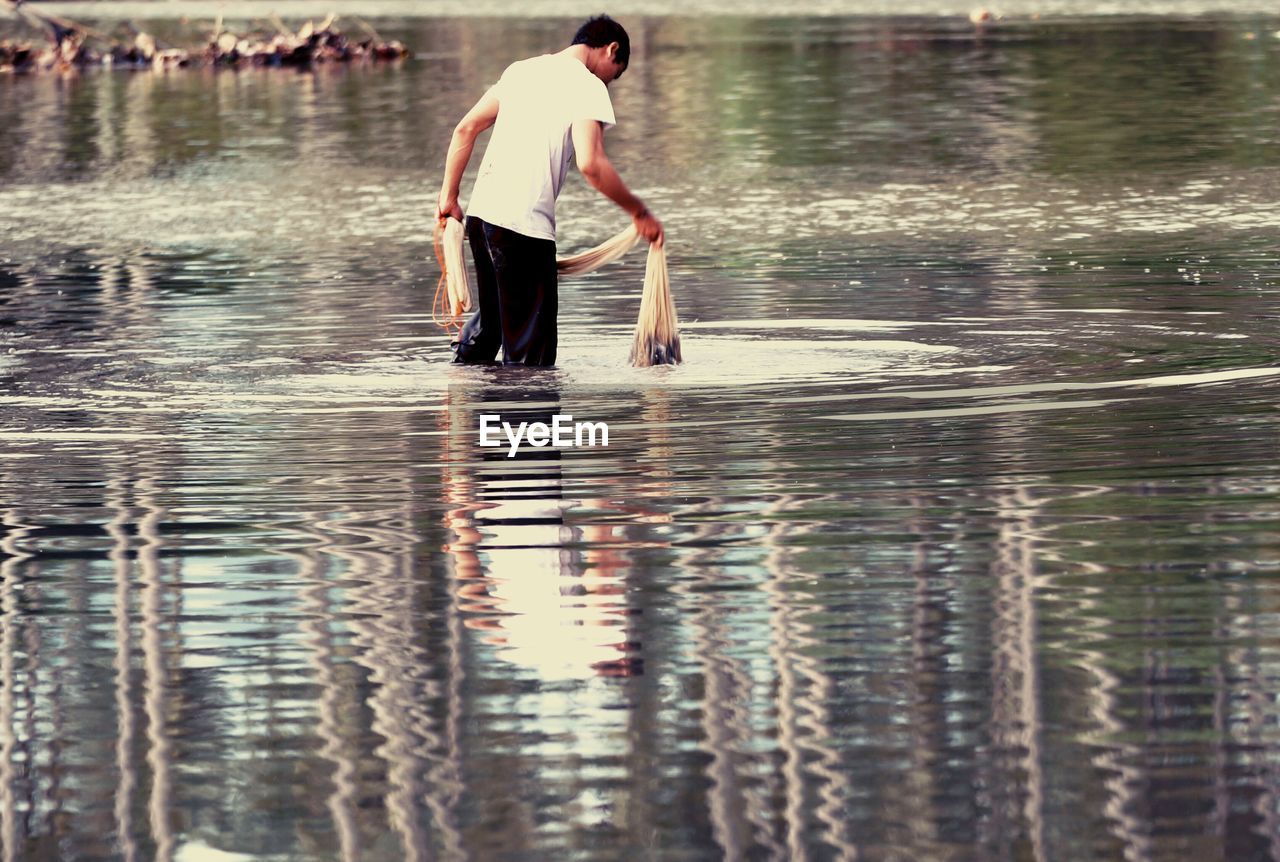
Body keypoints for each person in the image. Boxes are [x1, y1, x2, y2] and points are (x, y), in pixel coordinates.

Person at [436, 15, 664, 367]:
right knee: (532, 363)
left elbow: (466, 129)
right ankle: (529, 419)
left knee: (491, 331)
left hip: (482, 222)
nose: (609, 82)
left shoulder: (521, 71)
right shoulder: (587, 86)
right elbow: (592, 164)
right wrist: (639, 212)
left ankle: (459, 405)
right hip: (522, 228)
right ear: (611, 49)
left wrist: (449, 199)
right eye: (613, 74)